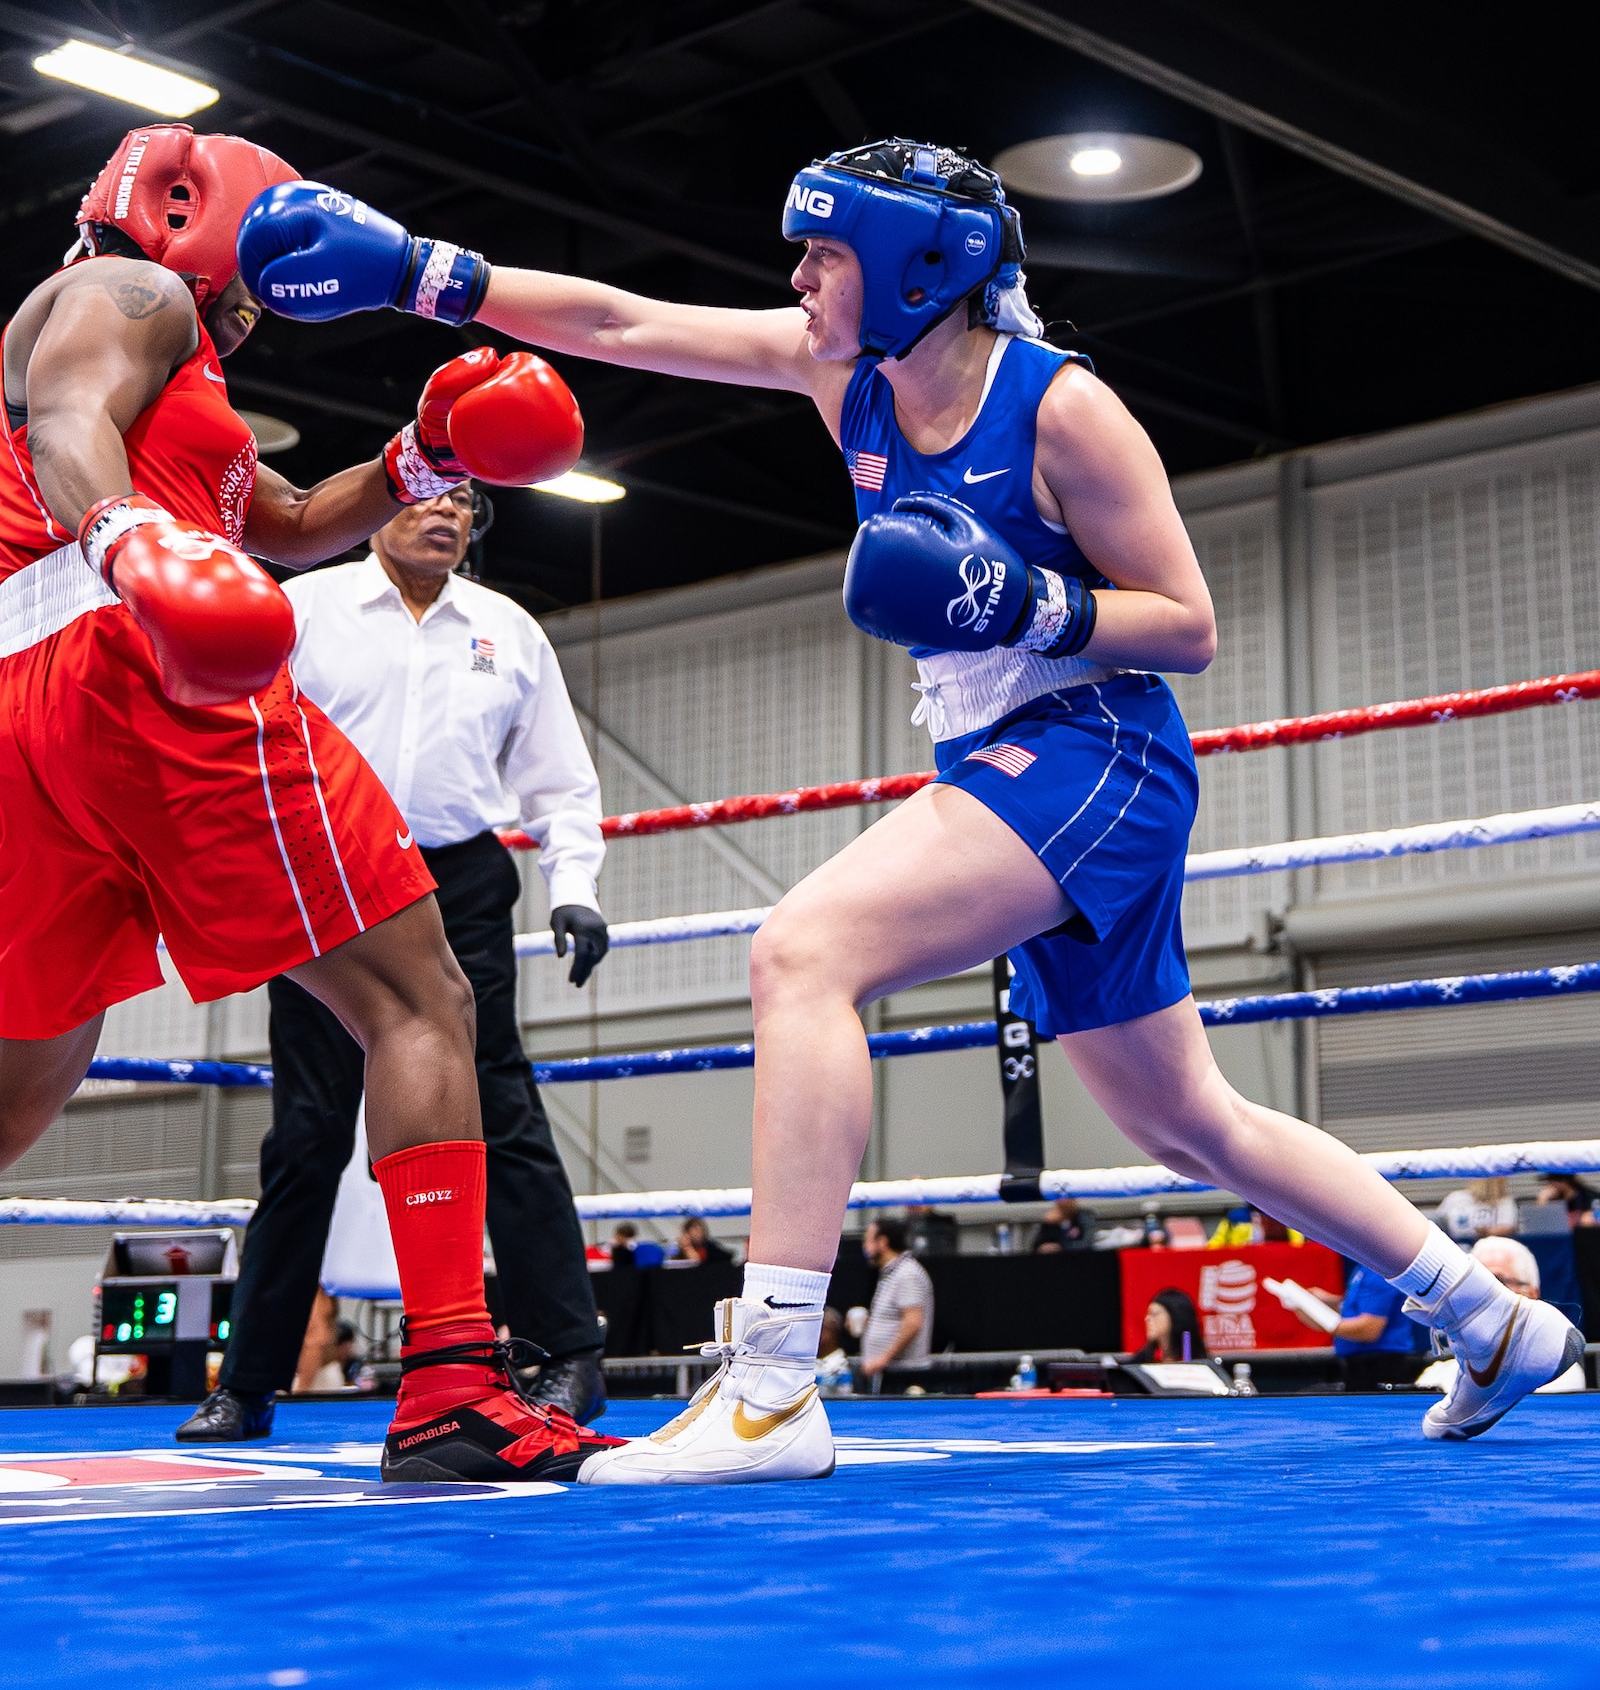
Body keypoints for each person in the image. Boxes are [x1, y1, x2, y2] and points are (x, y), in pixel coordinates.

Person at [242, 134, 1584, 1482]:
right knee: (1189, 1121)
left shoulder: (1062, 408)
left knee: (803, 951)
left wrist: (1028, 601)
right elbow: (622, 321)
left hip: (1095, 749)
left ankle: (771, 1385)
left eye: (824, 254)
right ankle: (1487, 1314)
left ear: (916, 267)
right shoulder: (848, 376)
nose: (798, 278)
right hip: (1004, 762)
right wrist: (422, 274)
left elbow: (1187, 623)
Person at [0, 123, 620, 1483]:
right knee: (419, 996)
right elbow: (68, 422)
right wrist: (133, 542)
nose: (272, 289)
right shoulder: (130, 292)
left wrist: (422, 457)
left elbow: (278, 522)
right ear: (197, 212)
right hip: (139, 660)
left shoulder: (179, 383)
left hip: (25, 711)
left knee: (20, 1083)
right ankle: (452, 1382)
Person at [177, 484, 610, 1443]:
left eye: (464, 499)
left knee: (500, 1103)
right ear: (378, 505)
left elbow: (557, 777)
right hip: (322, 868)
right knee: (307, 1130)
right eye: (426, 494)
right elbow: (229, 729)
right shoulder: (303, 605)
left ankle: (569, 1355)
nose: (446, 511)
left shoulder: (508, 628)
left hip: (460, 880)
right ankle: (247, 1383)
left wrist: (574, 884)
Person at [1415, 1239, 1586, 1396]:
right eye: (1473, 1283)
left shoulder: (1559, 1374)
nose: (1482, 1295)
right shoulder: (1436, 1375)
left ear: (1531, 1294)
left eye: (1498, 1281)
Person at [1291, 1265, 1424, 1391]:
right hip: (1361, 1365)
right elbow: (1359, 1308)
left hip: (1380, 1366)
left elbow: (1369, 1329)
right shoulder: (1365, 1269)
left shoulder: (1379, 1273)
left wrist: (1323, 1321)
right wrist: (1327, 1301)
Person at [858, 1218, 934, 1387]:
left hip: (903, 1375)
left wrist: (882, 1360)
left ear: (882, 1242)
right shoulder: (891, 1274)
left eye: (868, 1240)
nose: (865, 1247)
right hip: (889, 1373)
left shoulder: (907, 1274)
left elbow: (913, 1322)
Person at [1131, 1288, 1207, 1364]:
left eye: (1154, 1314)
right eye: (1148, 1314)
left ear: (1175, 1316)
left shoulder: (1198, 1363)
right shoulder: (1141, 1361)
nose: (1147, 1319)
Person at [1435, 1178, 1518, 1241]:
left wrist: (1485, 1232)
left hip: (1488, 1247)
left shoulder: (1504, 1202)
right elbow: (1437, 1221)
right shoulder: (1456, 1198)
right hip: (1455, 1245)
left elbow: (1507, 1227)